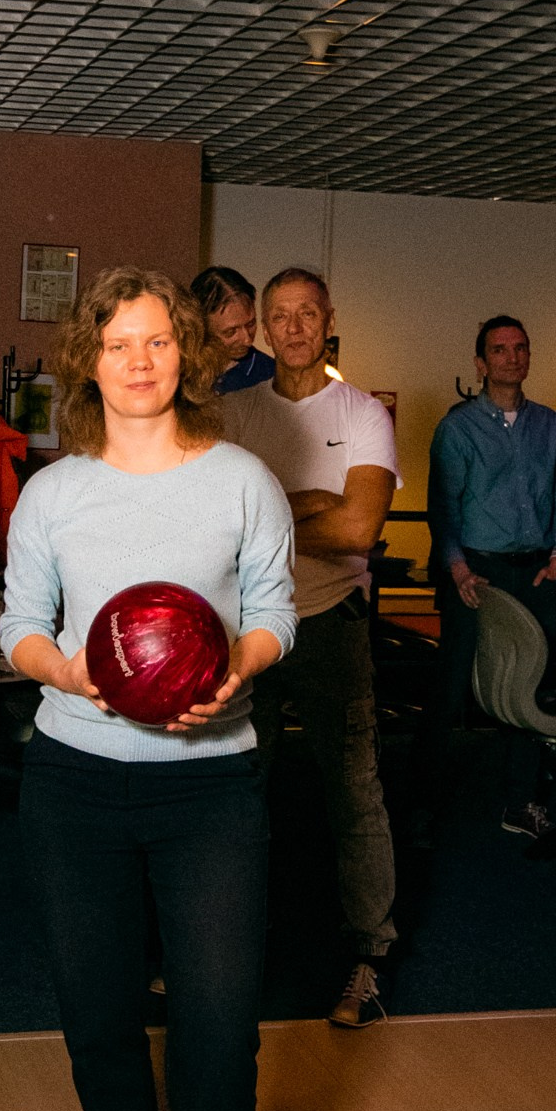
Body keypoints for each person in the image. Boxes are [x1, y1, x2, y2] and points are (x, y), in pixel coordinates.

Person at [1, 266, 295, 1111]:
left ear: (188, 355)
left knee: (219, 1034)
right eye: (118, 342)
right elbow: (21, 626)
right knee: (98, 1018)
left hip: (210, 789)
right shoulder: (53, 492)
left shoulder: (241, 481)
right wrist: (71, 671)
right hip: (73, 783)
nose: (139, 361)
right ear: (90, 359)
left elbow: (273, 612)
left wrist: (235, 670)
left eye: (159, 341)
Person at [222, 267, 399, 1029]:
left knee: (353, 791)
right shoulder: (231, 412)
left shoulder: (363, 413)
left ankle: (368, 957)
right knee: (236, 790)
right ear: (263, 328)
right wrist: (314, 502)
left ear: (328, 321)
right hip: (247, 626)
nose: (292, 328)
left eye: (306, 314)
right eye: (279, 316)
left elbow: (359, 529)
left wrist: (265, 515)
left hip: (331, 623)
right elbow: (216, 524)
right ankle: (222, 951)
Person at [427, 315, 556, 838]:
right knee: (451, 685)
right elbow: (443, 506)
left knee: (530, 688)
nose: (512, 357)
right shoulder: (458, 428)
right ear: (480, 363)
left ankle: (520, 803)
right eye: (499, 349)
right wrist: (458, 568)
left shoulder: (548, 424)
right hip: (476, 571)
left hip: (536, 573)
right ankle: (424, 805)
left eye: (520, 348)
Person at [192, 265, 274, 394]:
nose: (247, 340)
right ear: (201, 327)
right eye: (231, 332)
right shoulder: (177, 370)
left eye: (251, 324)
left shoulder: (273, 377)